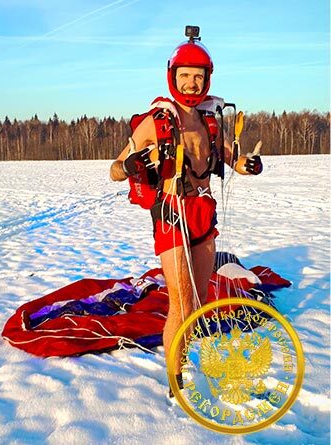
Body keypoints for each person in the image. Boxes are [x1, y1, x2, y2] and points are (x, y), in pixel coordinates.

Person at [109, 27, 263, 397]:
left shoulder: (210, 120)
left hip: (203, 213)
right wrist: (131, 166)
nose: (192, 85)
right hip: (171, 213)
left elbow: (232, 158)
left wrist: (249, 165)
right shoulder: (158, 120)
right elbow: (115, 168)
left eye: (199, 77)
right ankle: (175, 381)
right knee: (179, 300)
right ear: (173, 76)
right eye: (185, 77)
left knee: (200, 299)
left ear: (207, 79)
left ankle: (186, 353)